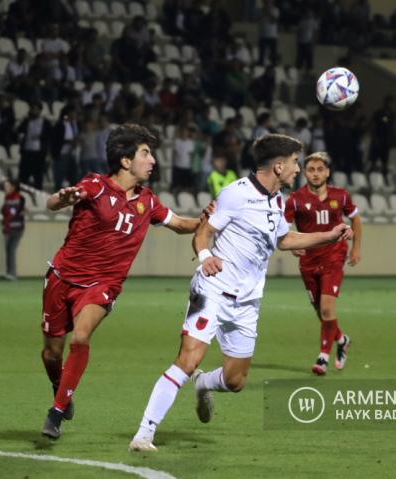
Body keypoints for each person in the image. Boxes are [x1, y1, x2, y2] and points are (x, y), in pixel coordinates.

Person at [129, 134, 353, 452]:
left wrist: (327, 236)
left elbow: (284, 240)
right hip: (214, 290)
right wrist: (206, 259)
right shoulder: (236, 194)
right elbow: (204, 233)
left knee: (235, 382)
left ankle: (204, 385)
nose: (297, 169)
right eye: (294, 163)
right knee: (188, 358)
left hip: (247, 301)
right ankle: (144, 433)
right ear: (278, 166)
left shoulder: (277, 201)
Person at [40, 124, 208, 440]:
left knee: (81, 337)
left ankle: (56, 412)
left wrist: (211, 222)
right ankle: (60, 386)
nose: (153, 160)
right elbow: (54, 203)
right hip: (62, 278)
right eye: (146, 153)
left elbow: (181, 224)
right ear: (126, 161)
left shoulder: (149, 201)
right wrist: (63, 198)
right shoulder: (95, 185)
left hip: (103, 284)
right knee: (51, 353)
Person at [284, 152, 361, 374]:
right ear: (304, 173)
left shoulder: (341, 196)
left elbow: (355, 219)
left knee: (327, 309)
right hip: (308, 261)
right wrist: (291, 244)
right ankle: (341, 339)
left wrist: (355, 247)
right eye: (311, 170)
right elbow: (284, 227)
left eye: (320, 169)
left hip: (333, 257)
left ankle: (323, 357)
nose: (316, 174)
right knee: (321, 312)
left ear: (327, 172)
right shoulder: (296, 200)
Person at [1, 179, 25, 279]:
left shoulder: (20, 198)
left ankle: (12, 273)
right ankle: (8, 272)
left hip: (16, 228)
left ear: (13, 187)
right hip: (8, 228)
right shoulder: (6, 197)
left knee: (11, 250)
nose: (5, 188)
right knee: (7, 250)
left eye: (7, 186)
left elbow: (16, 212)